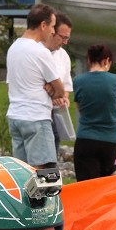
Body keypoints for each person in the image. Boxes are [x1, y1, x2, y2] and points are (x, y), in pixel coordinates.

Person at [5, 4, 64, 170]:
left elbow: (10, 85)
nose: (53, 31)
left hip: (15, 116)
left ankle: (22, 197)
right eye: (52, 26)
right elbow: (59, 89)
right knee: (44, 172)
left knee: (22, 173)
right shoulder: (40, 52)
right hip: (36, 117)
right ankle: (42, 198)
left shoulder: (13, 48)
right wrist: (53, 90)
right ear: (43, 25)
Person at [71, 43, 116, 181]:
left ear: (88, 60)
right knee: (106, 178)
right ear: (107, 60)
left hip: (87, 138)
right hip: (111, 140)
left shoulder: (78, 81)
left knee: (87, 184)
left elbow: (80, 109)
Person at [45, 12, 75, 162]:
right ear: (52, 32)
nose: (65, 42)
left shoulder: (63, 56)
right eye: (62, 37)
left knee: (51, 159)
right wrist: (55, 90)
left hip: (56, 114)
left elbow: (66, 86)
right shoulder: (37, 52)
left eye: (67, 38)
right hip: (38, 114)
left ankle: (48, 184)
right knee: (38, 161)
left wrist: (63, 98)